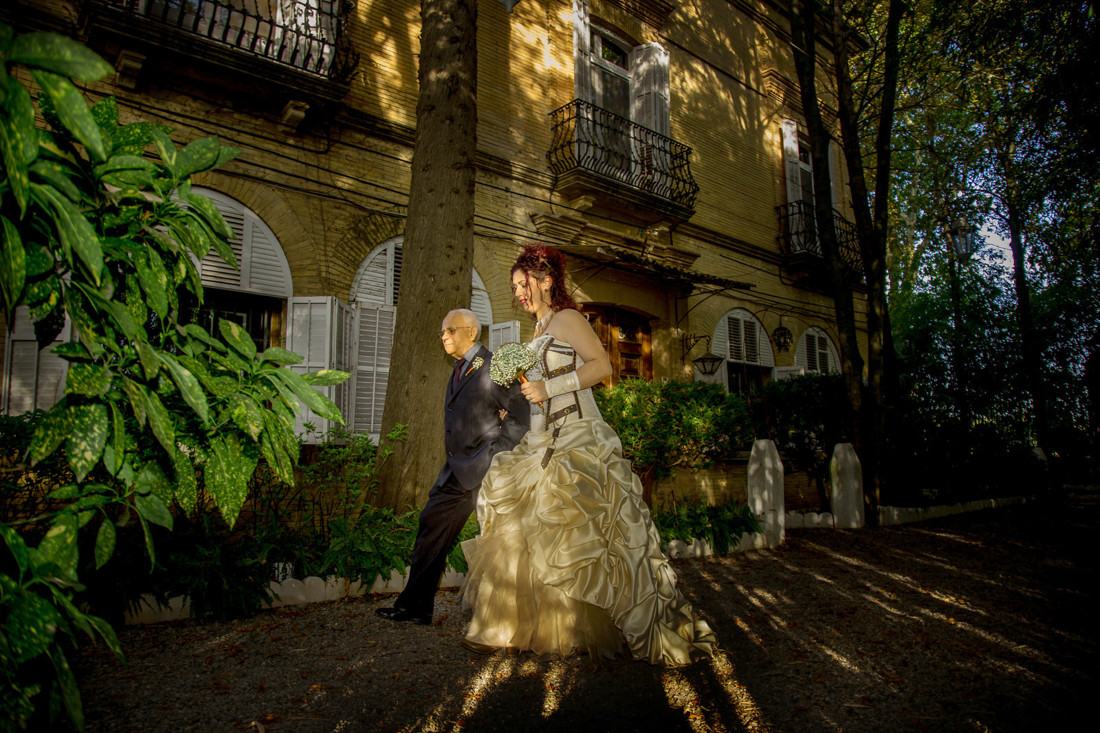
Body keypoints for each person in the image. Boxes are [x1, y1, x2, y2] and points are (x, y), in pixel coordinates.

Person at [461, 245, 717, 665]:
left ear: (545, 281)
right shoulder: (540, 329)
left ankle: (627, 620)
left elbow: (602, 367)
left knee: (593, 534)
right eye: (513, 288)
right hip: (547, 437)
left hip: (580, 436)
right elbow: (543, 390)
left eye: (522, 285)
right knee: (529, 526)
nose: (519, 294)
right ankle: (511, 627)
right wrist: (528, 411)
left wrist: (549, 389)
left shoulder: (567, 318)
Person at [376, 309, 530, 625]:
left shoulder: (494, 367)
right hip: (456, 471)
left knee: (506, 543)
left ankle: (513, 618)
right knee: (431, 527)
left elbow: (520, 415)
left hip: (484, 472)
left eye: (450, 330)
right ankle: (415, 607)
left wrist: (494, 454)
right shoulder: (460, 367)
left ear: (471, 332)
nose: (444, 336)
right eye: (442, 332)